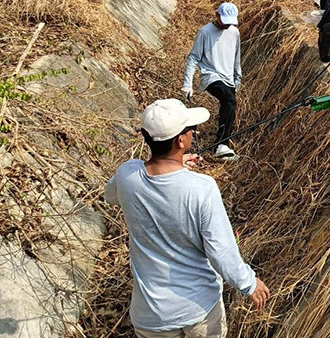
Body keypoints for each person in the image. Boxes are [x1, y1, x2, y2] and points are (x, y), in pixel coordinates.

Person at [105, 98, 270, 338]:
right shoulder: (202, 188)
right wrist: (249, 282)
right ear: (181, 140)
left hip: (151, 316)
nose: (194, 132)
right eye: (192, 129)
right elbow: (220, 250)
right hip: (198, 310)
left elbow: (111, 195)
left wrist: (172, 162)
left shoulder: (127, 175)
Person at [182, 3, 241, 159]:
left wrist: (238, 77)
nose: (227, 25)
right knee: (229, 100)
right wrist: (187, 84)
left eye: (230, 22)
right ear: (216, 15)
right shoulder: (205, 32)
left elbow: (236, 57)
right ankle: (222, 144)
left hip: (228, 78)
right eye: (224, 21)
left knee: (229, 105)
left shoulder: (234, 32)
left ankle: (222, 143)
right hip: (210, 76)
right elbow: (193, 57)